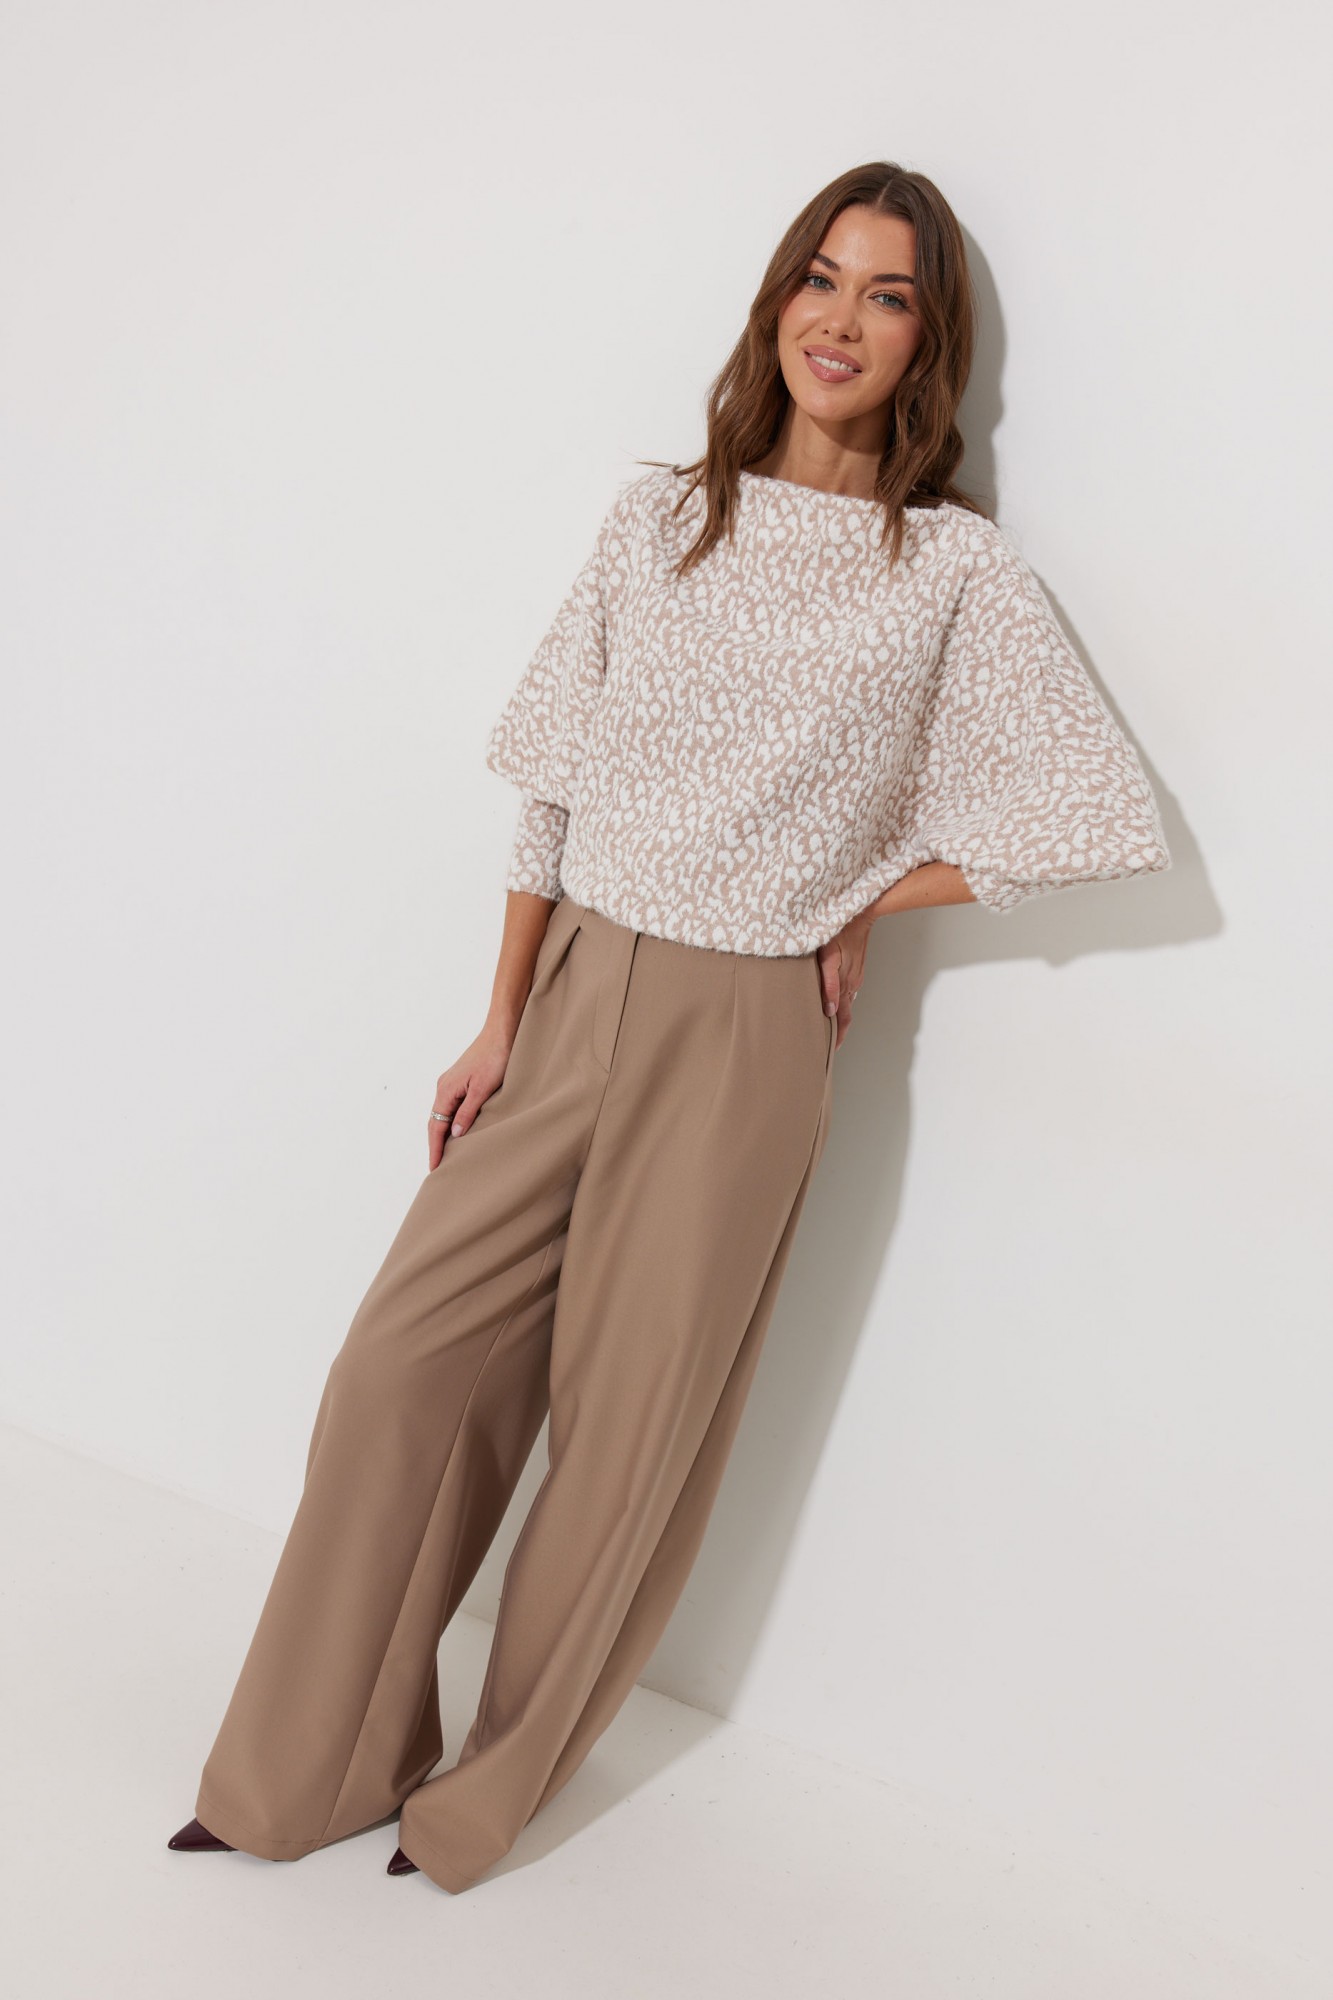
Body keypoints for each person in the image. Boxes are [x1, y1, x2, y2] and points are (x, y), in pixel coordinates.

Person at [168, 160, 1170, 1893]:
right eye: (819, 278)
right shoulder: (660, 517)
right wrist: (500, 1018)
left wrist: (863, 898)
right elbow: (552, 776)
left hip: (744, 1031)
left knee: (626, 1437)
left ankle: (473, 1806)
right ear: (775, 299)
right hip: (573, 991)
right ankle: (299, 1772)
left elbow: (1094, 815)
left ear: (926, 345)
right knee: (399, 1372)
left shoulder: (946, 569)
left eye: (887, 295)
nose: (839, 320)